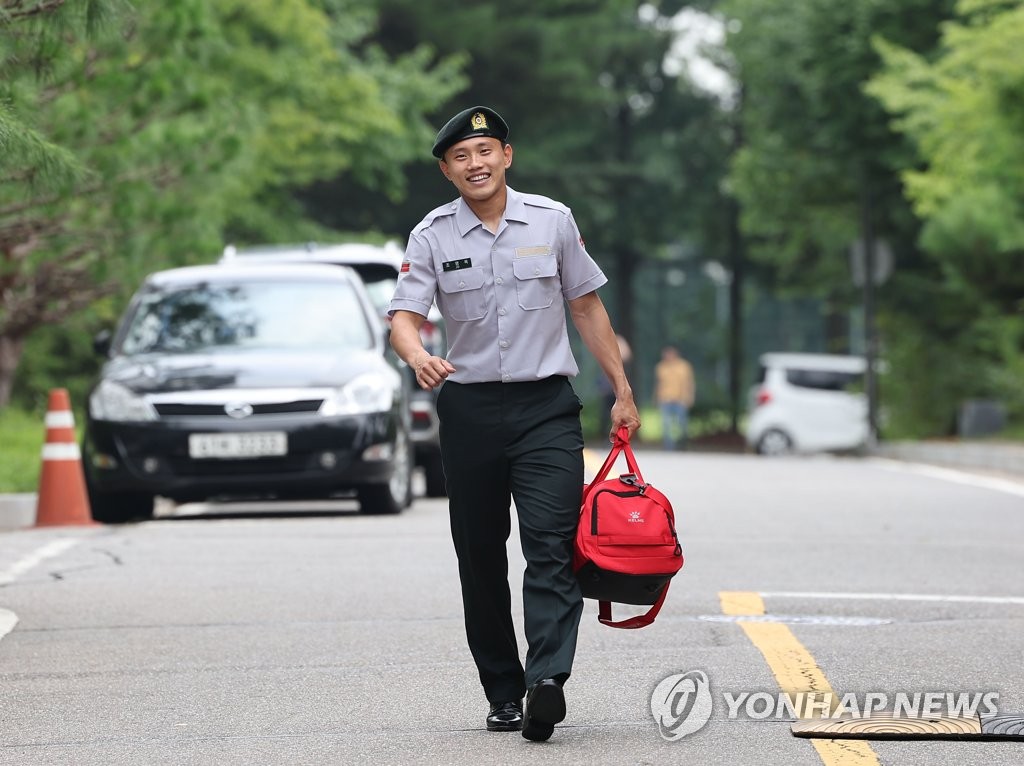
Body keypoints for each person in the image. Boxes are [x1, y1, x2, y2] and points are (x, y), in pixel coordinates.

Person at [388, 105, 640, 742]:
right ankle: (503, 691)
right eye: (461, 157)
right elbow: (404, 315)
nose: (476, 164)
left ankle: (545, 680)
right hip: (469, 410)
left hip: (545, 409)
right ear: (447, 170)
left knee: (551, 545)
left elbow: (586, 307)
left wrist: (622, 391)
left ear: (508, 155)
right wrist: (418, 354)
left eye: (486, 151)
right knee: (479, 558)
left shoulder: (552, 222)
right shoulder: (431, 236)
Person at [654, 345, 695, 450]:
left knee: (682, 424)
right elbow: (659, 383)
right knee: (666, 424)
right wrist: (657, 397)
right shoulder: (661, 367)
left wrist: (689, 397)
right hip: (665, 399)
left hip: (680, 400)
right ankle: (669, 447)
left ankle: (682, 445)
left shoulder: (684, 366)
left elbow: (689, 383)